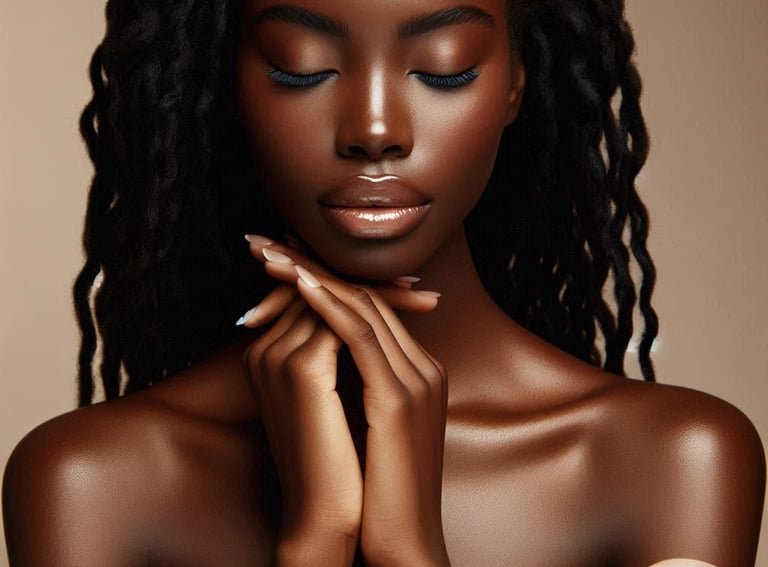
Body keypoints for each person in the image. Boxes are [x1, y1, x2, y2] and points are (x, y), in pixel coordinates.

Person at [2, 0, 765, 565]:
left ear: (514, 85)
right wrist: (315, 538)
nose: (373, 127)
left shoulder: (674, 462)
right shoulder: (92, 482)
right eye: (302, 67)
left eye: (444, 67)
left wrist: (407, 547)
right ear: (227, 84)